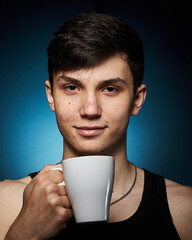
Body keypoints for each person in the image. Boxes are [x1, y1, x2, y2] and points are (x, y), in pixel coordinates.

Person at [0, 12, 191, 240]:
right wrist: (23, 233)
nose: (90, 110)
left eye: (110, 89)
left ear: (137, 99)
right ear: (51, 96)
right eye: (71, 87)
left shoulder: (185, 210)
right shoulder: (5, 203)